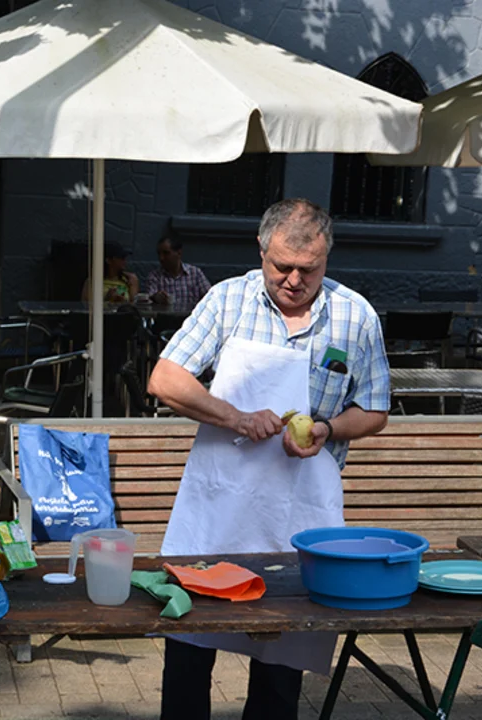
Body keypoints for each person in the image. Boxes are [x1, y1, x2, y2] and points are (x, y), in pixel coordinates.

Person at [147, 198, 390, 720]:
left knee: (281, 664)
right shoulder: (227, 301)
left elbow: (374, 409)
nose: (295, 280)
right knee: (189, 650)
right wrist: (235, 417)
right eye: (282, 266)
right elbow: (165, 379)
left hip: (298, 517)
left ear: (327, 258)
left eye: (310, 269)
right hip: (218, 511)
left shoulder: (355, 316)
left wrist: (327, 429)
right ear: (261, 249)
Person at [145, 235, 211, 313]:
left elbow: (210, 297)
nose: (161, 258)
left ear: (179, 253)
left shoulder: (195, 274)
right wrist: (156, 298)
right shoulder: (155, 276)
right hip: (165, 318)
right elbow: (149, 298)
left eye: (166, 253)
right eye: (159, 254)